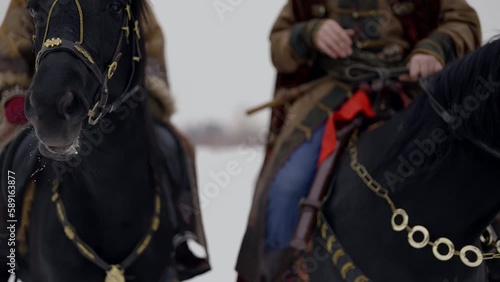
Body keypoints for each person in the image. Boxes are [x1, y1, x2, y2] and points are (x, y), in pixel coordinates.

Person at [236, 0, 481, 281]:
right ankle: (280, 273)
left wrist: (436, 46)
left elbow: (464, 21)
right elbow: (279, 45)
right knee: (286, 186)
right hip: (330, 97)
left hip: (413, 92)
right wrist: (310, 33)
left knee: (468, 175)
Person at [0, 0, 209, 280]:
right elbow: (10, 47)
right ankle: (7, 247)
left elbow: (150, 44)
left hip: (116, 100)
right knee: (10, 155)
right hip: (45, 101)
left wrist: (151, 93)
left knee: (177, 145)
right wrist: (13, 92)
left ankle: (181, 234)